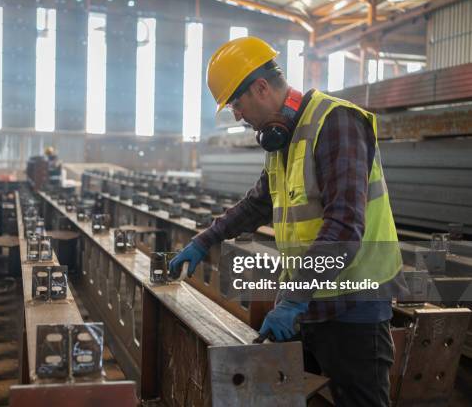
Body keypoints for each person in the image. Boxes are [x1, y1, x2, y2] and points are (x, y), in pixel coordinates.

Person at [168, 36, 408, 407]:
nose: (236, 114)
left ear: (261, 87)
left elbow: (344, 227)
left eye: (235, 102)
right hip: (310, 301)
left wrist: (293, 298)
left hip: (353, 306)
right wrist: (205, 240)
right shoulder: (283, 138)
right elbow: (258, 203)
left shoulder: (335, 122)